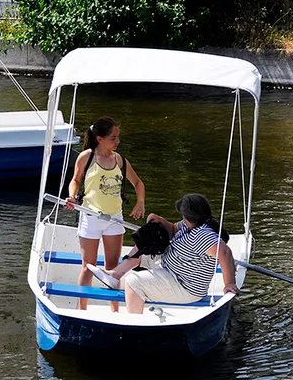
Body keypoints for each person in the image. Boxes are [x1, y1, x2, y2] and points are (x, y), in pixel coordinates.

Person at [90, 193, 240, 314]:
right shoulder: (189, 225)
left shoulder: (202, 234)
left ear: (189, 215)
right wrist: (158, 220)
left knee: (133, 282)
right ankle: (114, 275)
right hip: (171, 269)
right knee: (147, 242)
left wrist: (229, 283)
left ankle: (134, 325)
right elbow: (173, 228)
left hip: (184, 286)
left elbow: (225, 253)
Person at [64, 117, 146, 311]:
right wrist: (72, 196)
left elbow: (138, 183)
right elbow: (75, 180)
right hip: (91, 217)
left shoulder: (119, 160)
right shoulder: (87, 157)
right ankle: (81, 309)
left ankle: (115, 310)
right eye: (113, 138)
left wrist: (140, 203)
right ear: (99, 138)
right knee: (88, 266)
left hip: (114, 219)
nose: (117, 142)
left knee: (113, 268)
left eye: (118, 137)